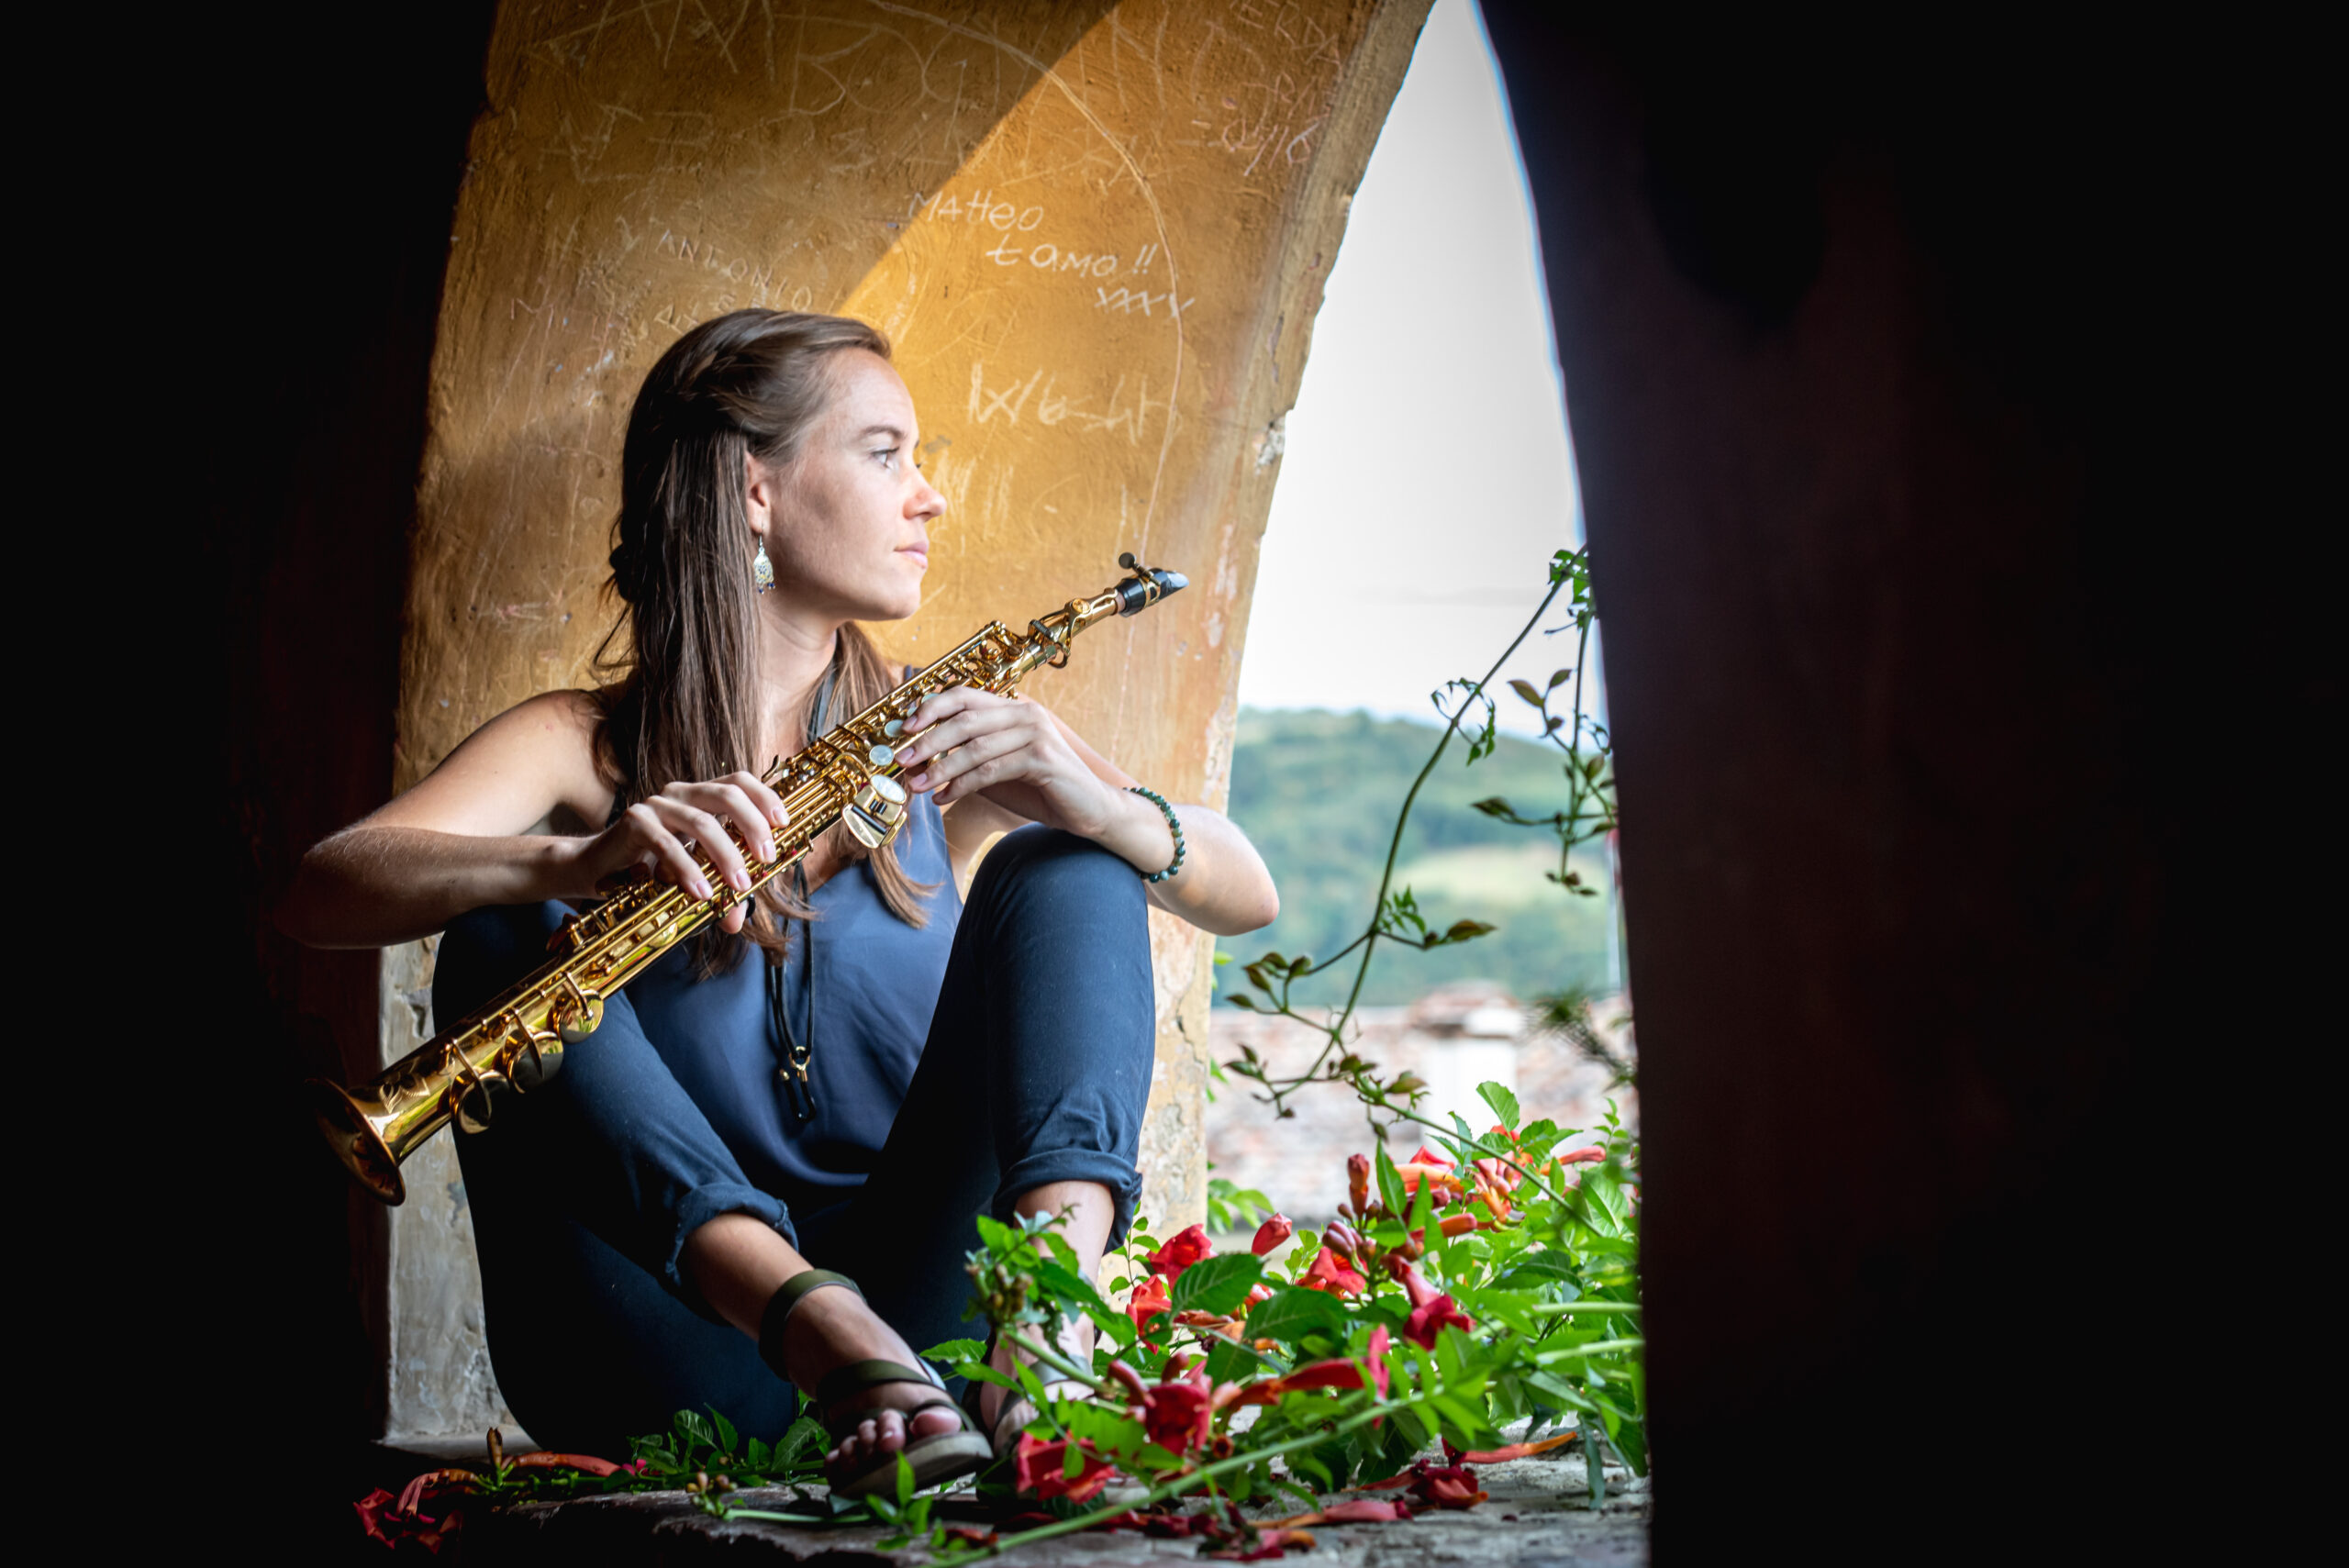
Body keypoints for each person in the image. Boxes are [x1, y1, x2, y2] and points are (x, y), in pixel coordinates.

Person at [279, 308, 1278, 1494]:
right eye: (884, 452)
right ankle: (824, 1330)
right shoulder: (580, 746)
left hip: (930, 1342)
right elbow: (319, 891)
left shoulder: (936, 738)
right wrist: (568, 861)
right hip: (676, 1351)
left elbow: (1244, 890)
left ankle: (1040, 1338)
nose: (929, 498)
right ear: (755, 492)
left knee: (1073, 857)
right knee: (506, 933)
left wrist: (1094, 799)